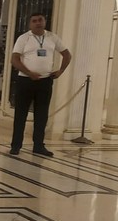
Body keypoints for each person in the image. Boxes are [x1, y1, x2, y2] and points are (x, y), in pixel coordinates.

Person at [9, 12, 72, 157]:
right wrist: (29, 73)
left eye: (40, 20)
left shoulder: (52, 37)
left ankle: (38, 145)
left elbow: (67, 54)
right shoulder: (24, 38)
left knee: (42, 115)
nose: (38, 23)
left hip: (45, 81)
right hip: (25, 81)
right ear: (30, 24)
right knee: (21, 114)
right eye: (34, 21)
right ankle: (16, 145)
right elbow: (15, 59)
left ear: (44, 21)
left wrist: (61, 71)